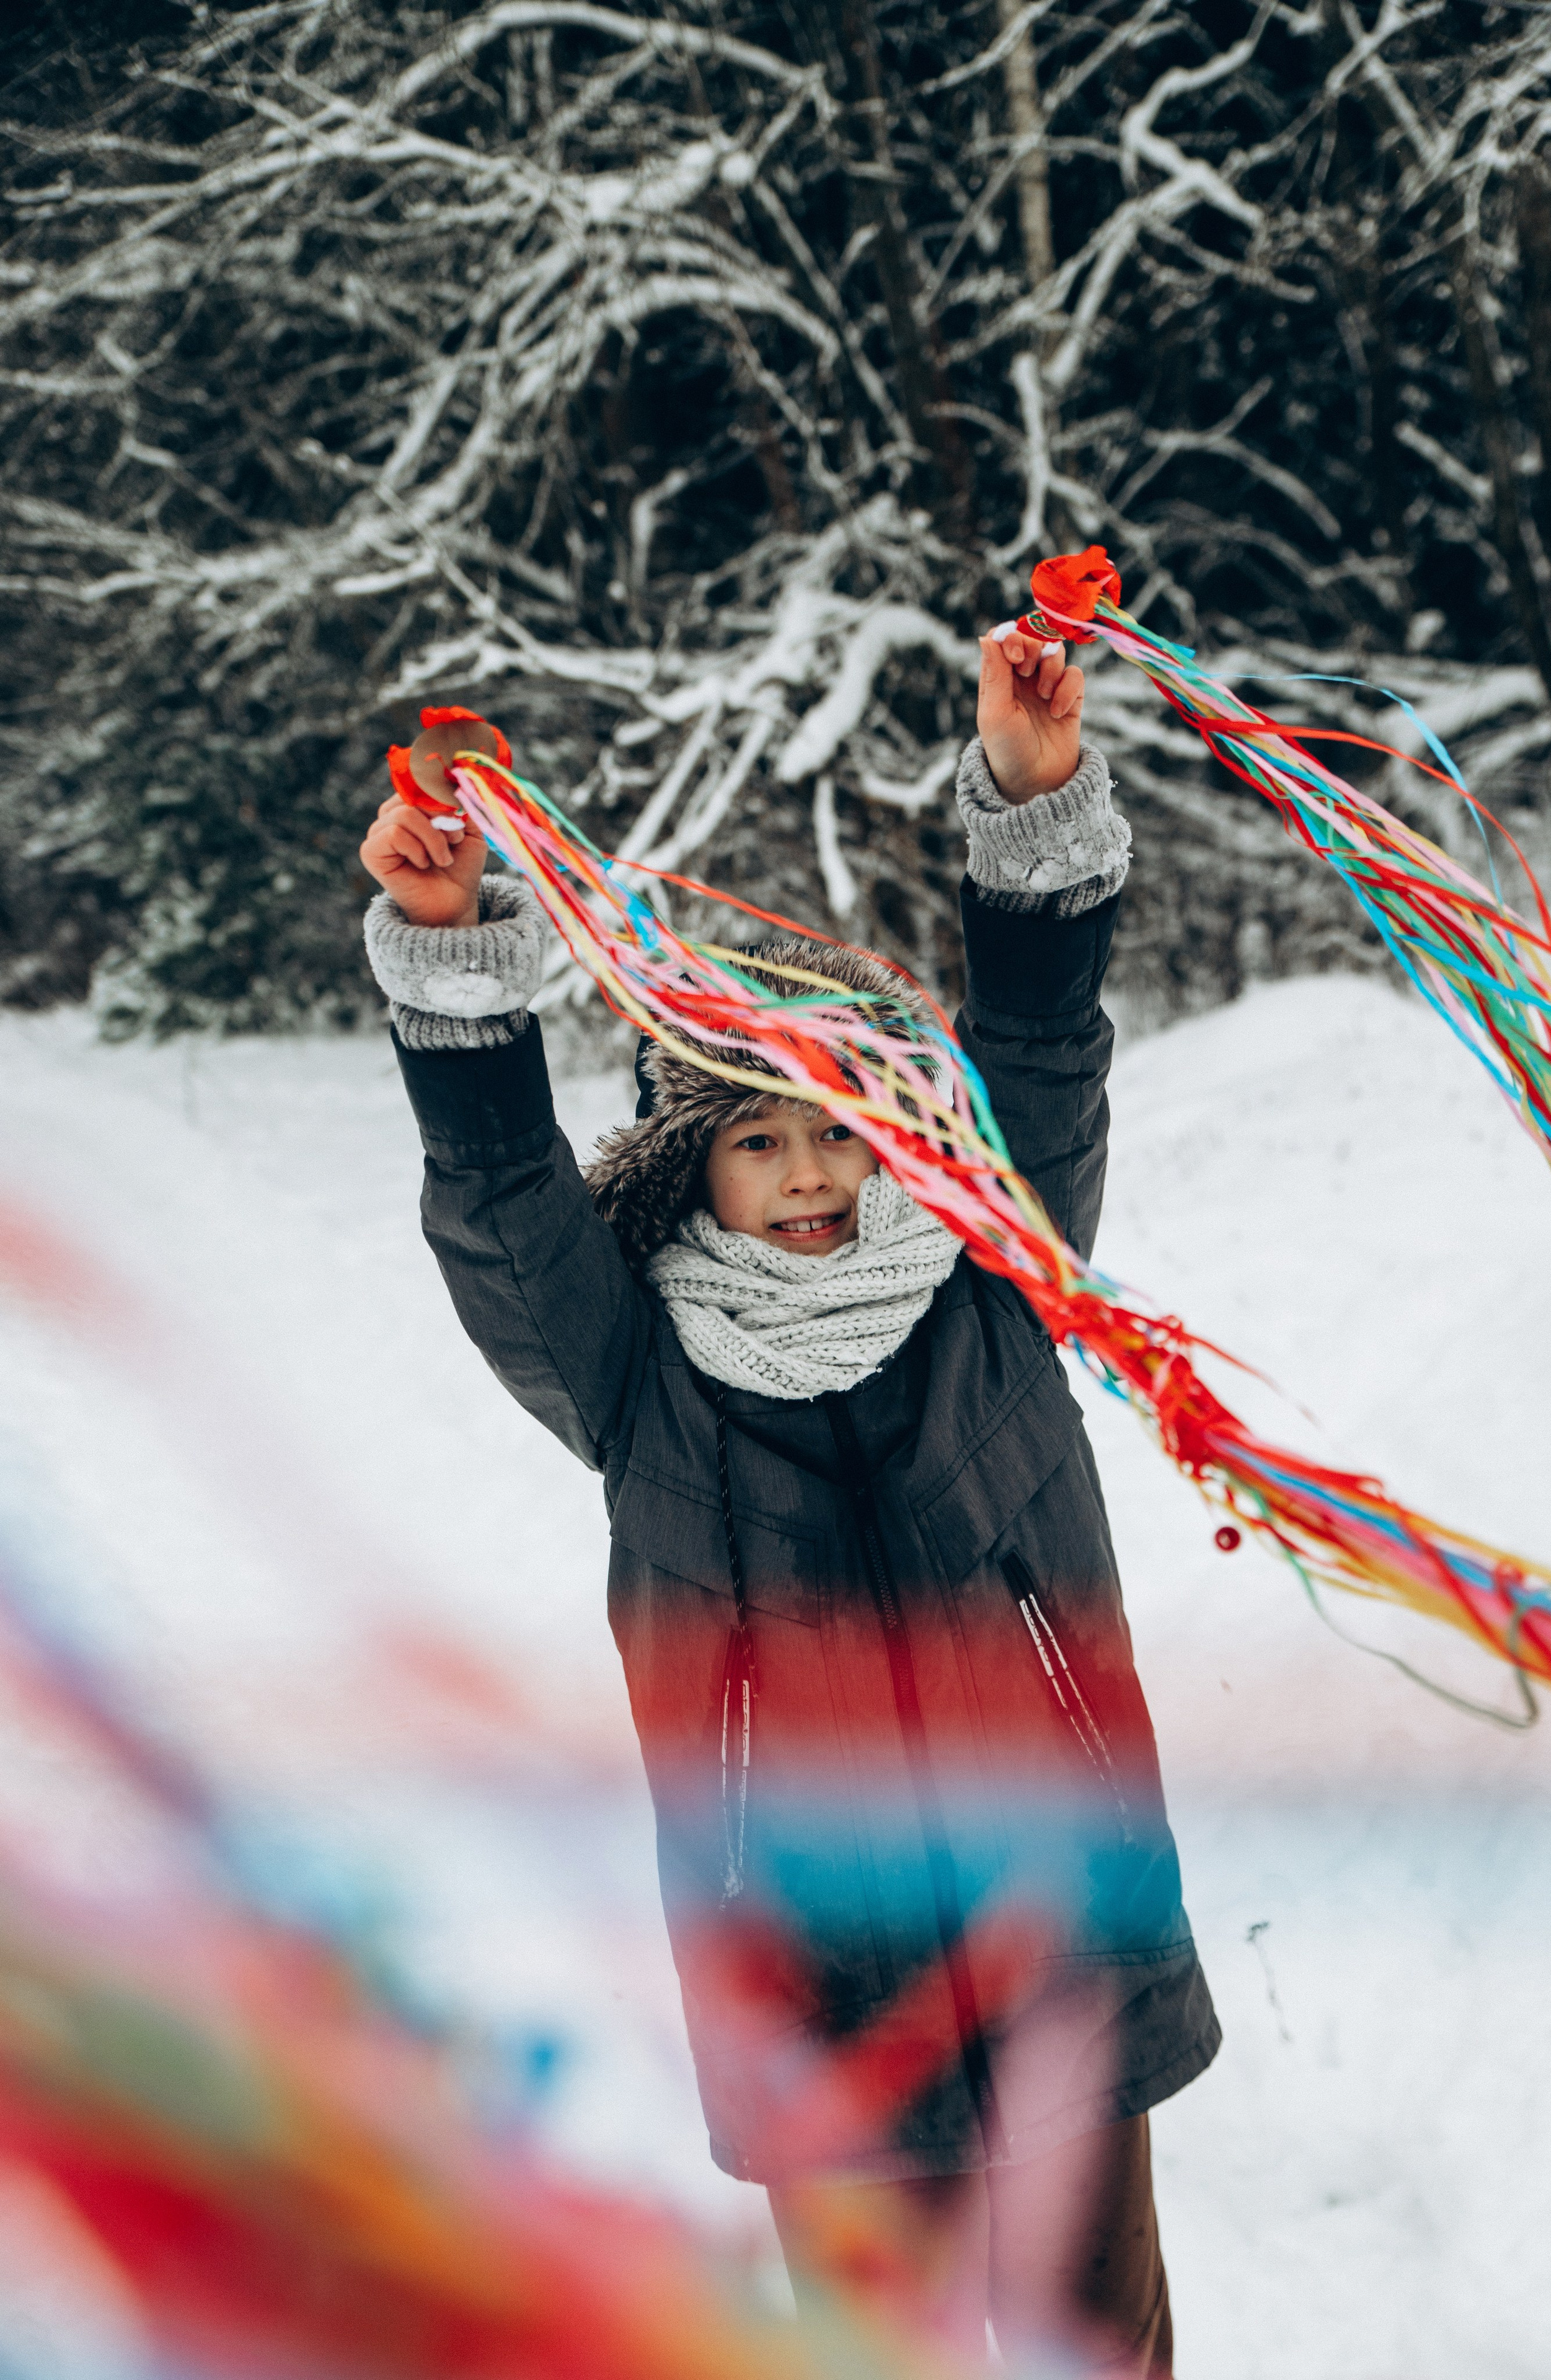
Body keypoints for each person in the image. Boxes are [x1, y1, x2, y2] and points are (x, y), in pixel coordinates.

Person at [359, 627, 1219, 2373]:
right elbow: (504, 1206)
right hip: (814, 1978)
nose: (808, 1174)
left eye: (836, 1129)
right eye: (757, 1139)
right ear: (695, 1165)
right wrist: (453, 964)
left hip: (1060, 1921)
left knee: (1097, 2345)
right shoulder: (639, 1378)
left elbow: (1043, 1052)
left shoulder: (997, 1287)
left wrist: (1032, 804)